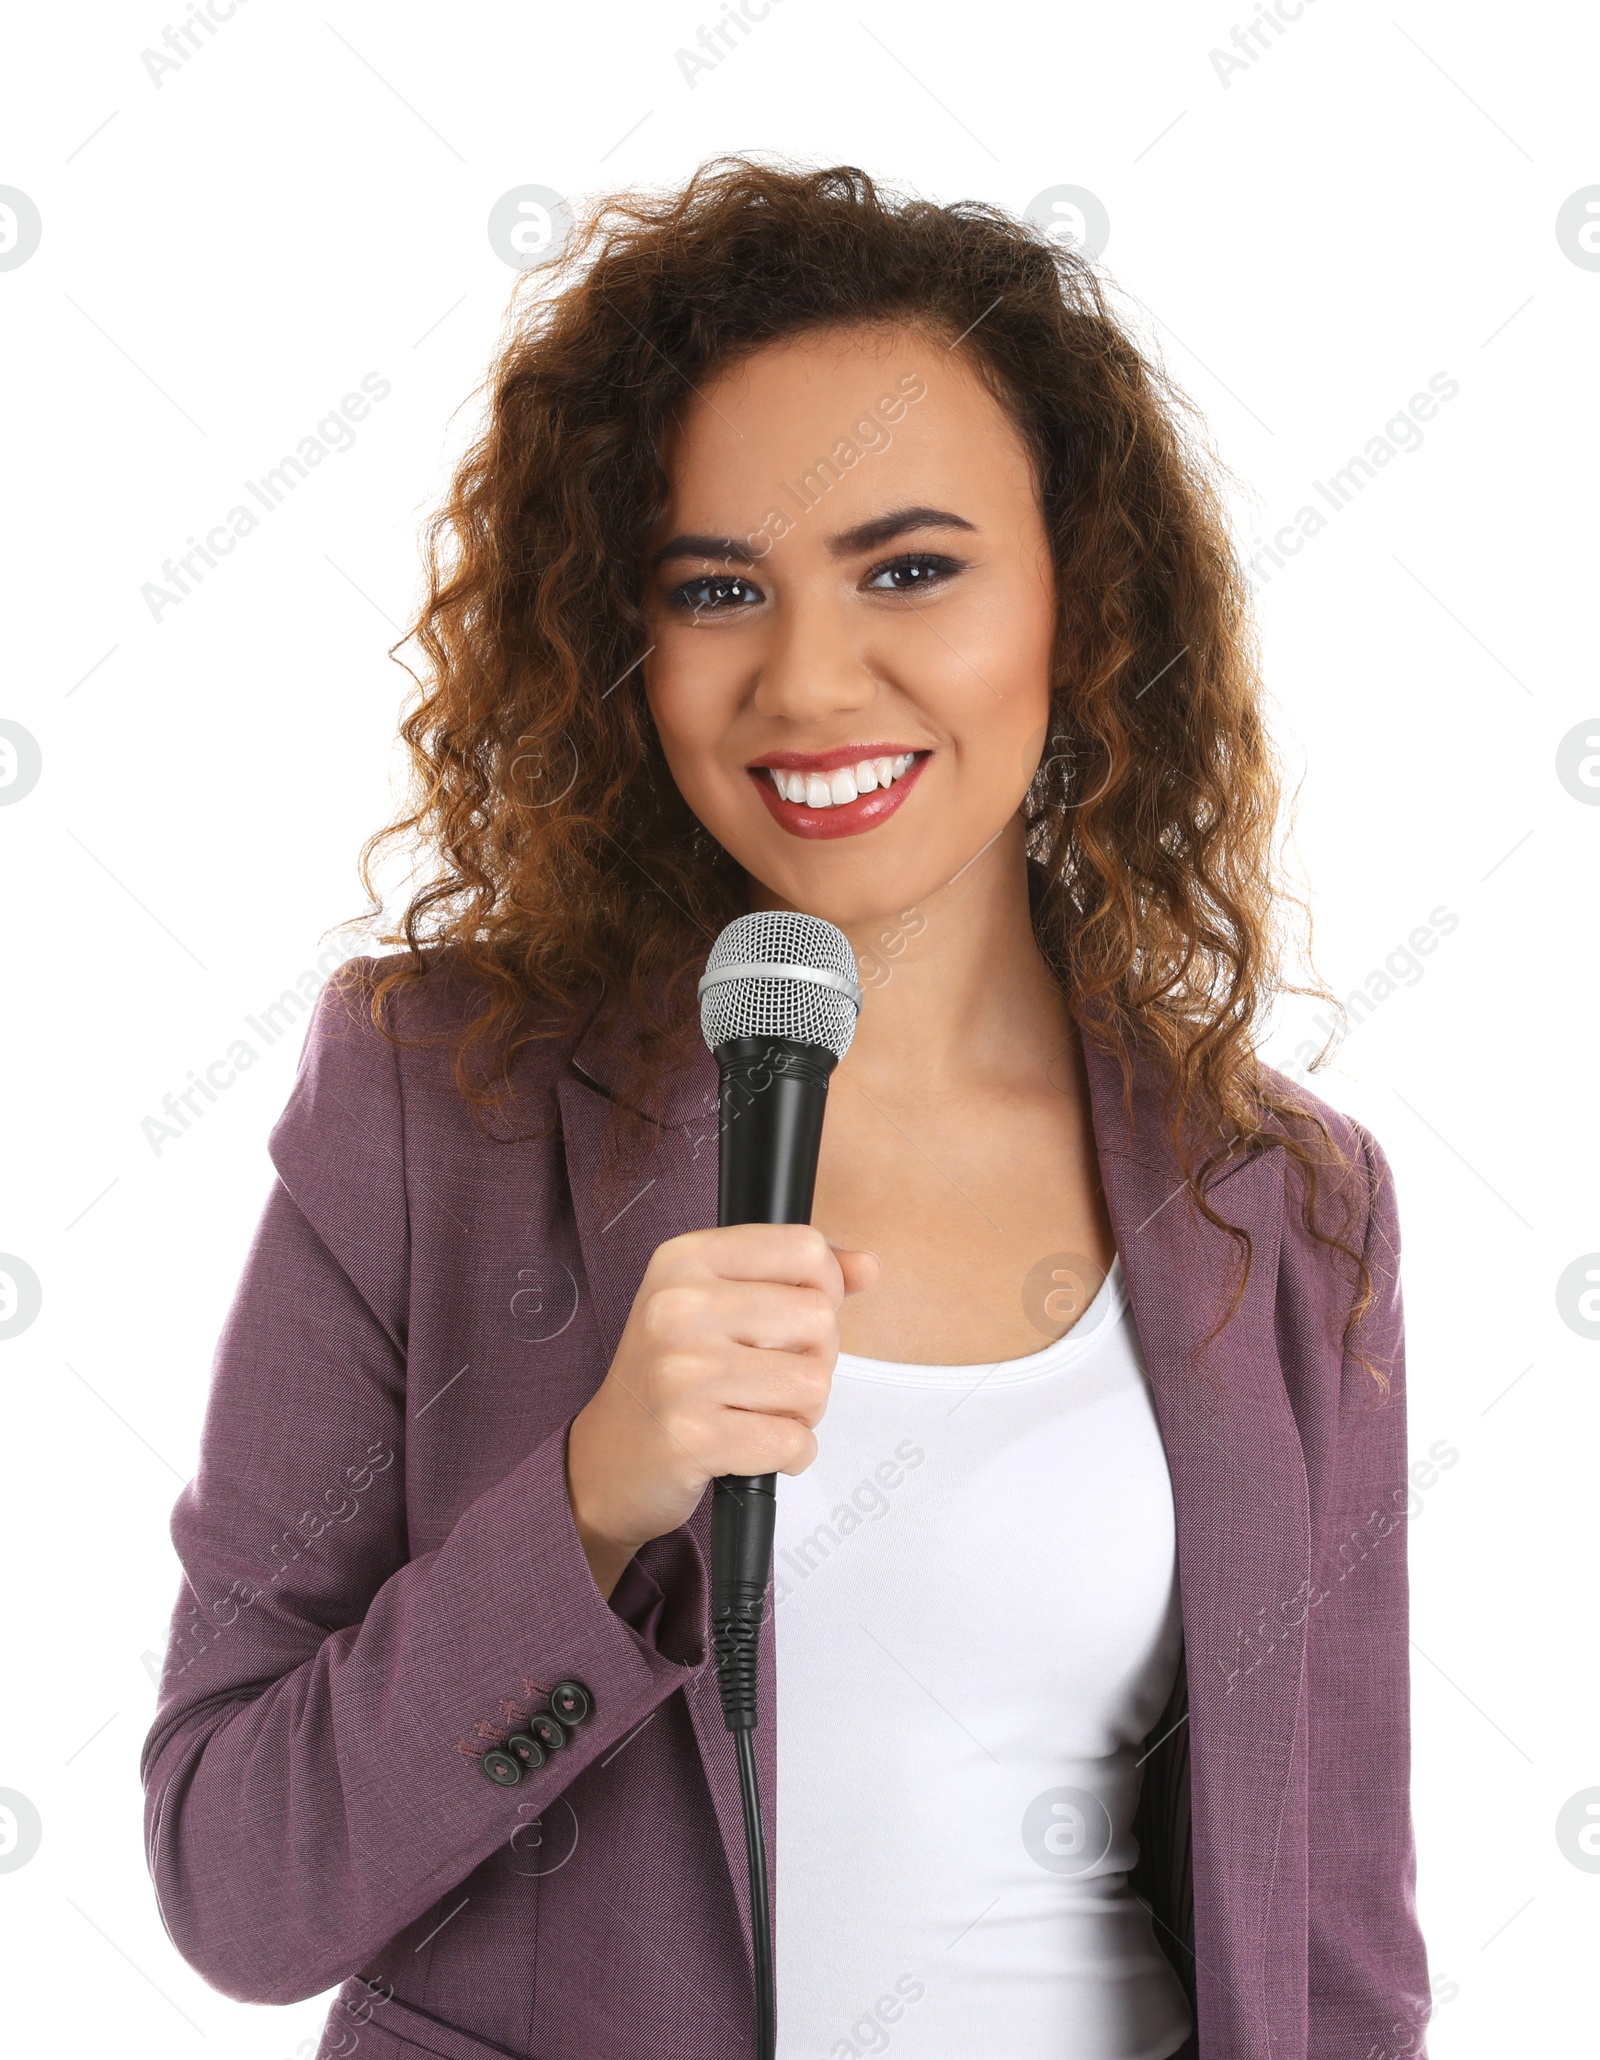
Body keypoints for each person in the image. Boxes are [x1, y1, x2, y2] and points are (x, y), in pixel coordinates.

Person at [141, 157, 1432, 2060]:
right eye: (717, 589)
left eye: (912, 568)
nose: (812, 680)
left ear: (1079, 606)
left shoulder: (1284, 1202)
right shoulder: (443, 1103)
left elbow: (1328, 1944)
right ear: (624, 646)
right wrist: (590, 1501)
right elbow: (237, 1880)